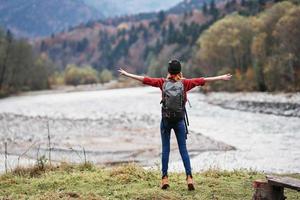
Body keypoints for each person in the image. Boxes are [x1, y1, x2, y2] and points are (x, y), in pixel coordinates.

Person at [118, 59, 232, 191]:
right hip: (179, 121)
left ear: (168, 71)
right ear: (180, 71)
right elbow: (203, 80)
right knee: (183, 150)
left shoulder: (162, 83)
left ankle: (165, 178)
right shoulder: (186, 83)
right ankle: (189, 177)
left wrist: (127, 74)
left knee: (165, 149)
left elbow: (145, 79)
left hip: (166, 121)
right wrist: (221, 77)